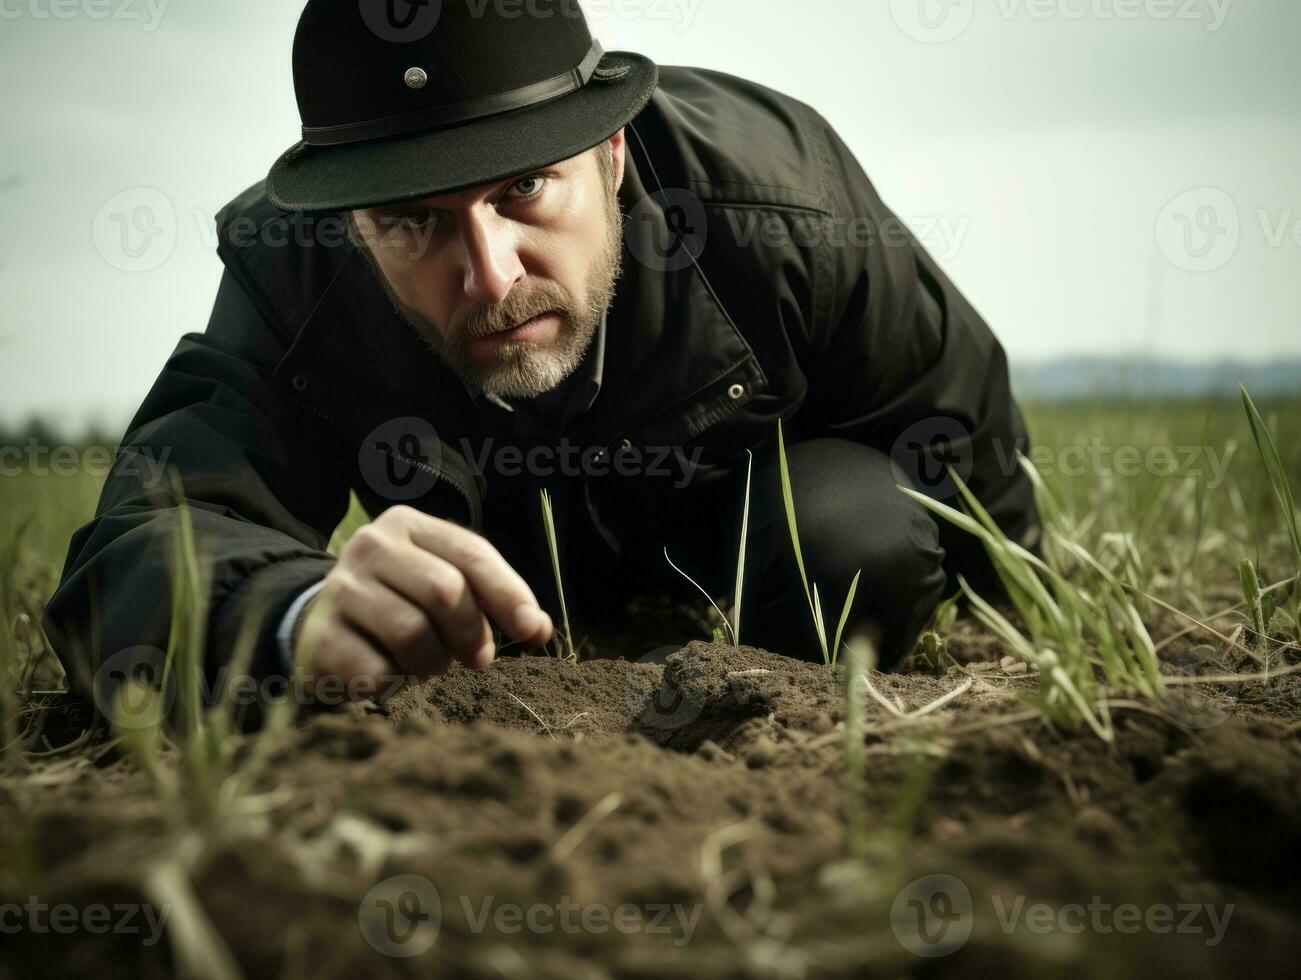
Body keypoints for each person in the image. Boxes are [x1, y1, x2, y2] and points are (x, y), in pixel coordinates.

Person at [45, 0, 1039, 708]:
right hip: (490, 615)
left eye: (521, 189)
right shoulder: (297, 269)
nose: (487, 273)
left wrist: (1034, 646)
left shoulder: (775, 198)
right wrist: (287, 611)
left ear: (609, 153)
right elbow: (145, 538)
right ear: (352, 220)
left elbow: (953, 420)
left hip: (762, 554)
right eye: (409, 222)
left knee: (854, 529)